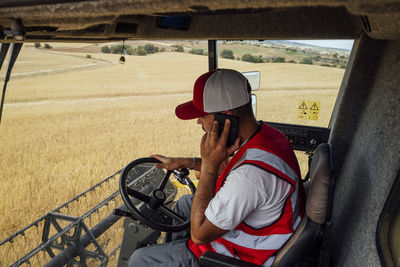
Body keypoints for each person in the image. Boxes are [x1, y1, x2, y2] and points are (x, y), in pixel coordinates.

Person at [129, 69, 305, 266]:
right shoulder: (268, 137)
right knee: (185, 204)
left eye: (202, 115)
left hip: (236, 256)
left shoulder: (252, 175)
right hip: (254, 233)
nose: (198, 121)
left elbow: (200, 235)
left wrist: (210, 167)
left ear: (226, 117)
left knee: (140, 259)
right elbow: (232, 174)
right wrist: (187, 162)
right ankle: (176, 253)